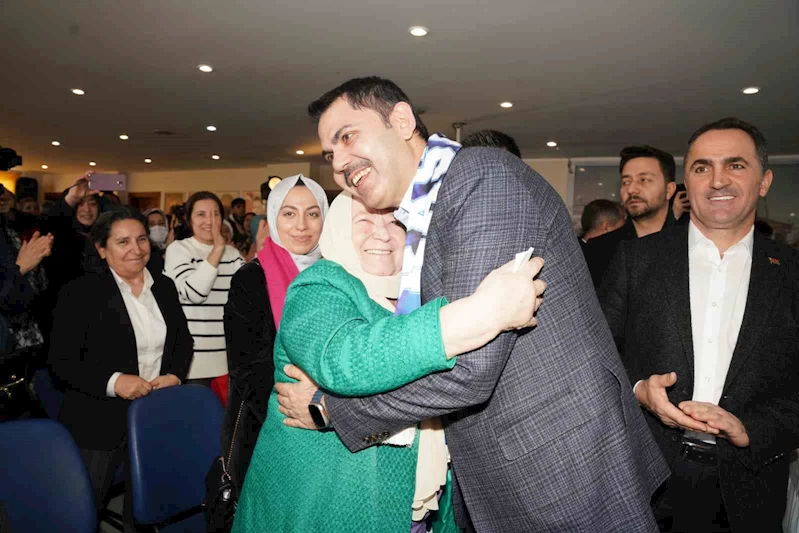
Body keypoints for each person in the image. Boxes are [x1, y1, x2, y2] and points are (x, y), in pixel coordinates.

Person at [277, 76, 668, 532]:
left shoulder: (480, 177)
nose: (340, 164)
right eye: (330, 154)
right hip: (523, 470)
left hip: (561, 472)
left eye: (347, 137)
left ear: (401, 120)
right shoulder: (425, 213)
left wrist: (331, 410)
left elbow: (469, 368)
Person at [233, 192, 545, 533]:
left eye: (396, 222)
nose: (381, 234)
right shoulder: (318, 287)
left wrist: (330, 410)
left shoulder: (425, 294)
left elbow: (452, 388)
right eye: (363, 221)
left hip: (422, 507)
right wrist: (479, 315)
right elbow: (346, 360)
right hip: (319, 507)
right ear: (339, 228)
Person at [599, 118, 799, 532]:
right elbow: (596, 356)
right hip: (644, 481)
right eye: (702, 167)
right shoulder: (636, 260)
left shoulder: (792, 273)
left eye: (736, 165)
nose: (718, 180)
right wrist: (639, 390)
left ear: (764, 181)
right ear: (686, 183)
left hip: (750, 489)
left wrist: (750, 430)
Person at [48, 207, 193, 518]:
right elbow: (62, 362)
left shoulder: (164, 286)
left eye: (141, 239)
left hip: (154, 414)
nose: (136, 249)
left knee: (148, 509)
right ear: (102, 249)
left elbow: (183, 342)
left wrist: (175, 375)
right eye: (123, 241)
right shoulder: (80, 292)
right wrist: (115, 382)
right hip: (97, 422)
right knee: (83, 511)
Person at [222, 175, 328, 495]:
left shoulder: (337, 272)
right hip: (269, 429)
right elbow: (249, 371)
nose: (302, 225)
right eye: (289, 213)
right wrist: (305, 408)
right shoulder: (251, 279)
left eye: (312, 213)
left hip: (329, 425)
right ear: (272, 219)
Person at [164, 192, 244, 385]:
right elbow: (195, 293)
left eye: (216, 214)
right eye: (201, 214)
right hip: (192, 363)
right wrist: (217, 250)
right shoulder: (179, 249)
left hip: (228, 361)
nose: (210, 221)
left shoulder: (233, 255)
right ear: (189, 219)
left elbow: (248, 299)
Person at [582, 145, 677, 287]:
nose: (631, 189)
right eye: (626, 182)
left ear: (669, 190)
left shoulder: (692, 246)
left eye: (644, 180)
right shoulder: (597, 250)